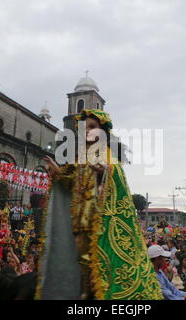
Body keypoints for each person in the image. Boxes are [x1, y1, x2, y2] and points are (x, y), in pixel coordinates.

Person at [42, 109, 162, 300]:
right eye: (84, 128)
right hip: (80, 216)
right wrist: (58, 173)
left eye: (92, 127)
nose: (87, 131)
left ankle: (95, 293)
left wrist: (105, 171)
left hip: (99, 218)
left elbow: (116, 176)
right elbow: (71, 181)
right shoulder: (80, 157)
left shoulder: (107, 154)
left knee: (96, 258)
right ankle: (83, 292)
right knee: (80, 258)